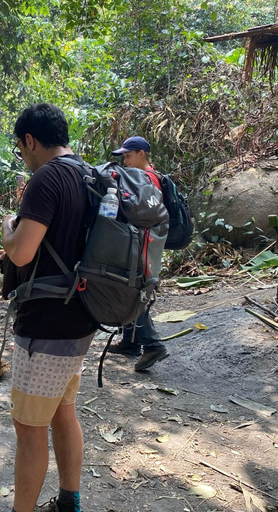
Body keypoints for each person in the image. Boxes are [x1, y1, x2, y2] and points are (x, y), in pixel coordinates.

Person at [0, 103, 99, 512]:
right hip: (82, 313)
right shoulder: (89, 174)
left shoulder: (46, 178)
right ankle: (69, 502)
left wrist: (8, 228)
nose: (24, 157)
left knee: (28, 426)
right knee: (62, 411)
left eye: (22, 149)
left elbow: (22, 252)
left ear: (30, 140)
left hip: (47, 323)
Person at [107, 136, 169, 371]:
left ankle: (153, 344)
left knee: (133, 291)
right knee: (132, 287)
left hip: (143, 242)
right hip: (144, 240)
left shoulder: (147, 178)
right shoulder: (147, 176)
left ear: (142, 153)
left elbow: (142, 213)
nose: (125, 160)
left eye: (128, 155)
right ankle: (130, 342)